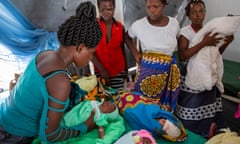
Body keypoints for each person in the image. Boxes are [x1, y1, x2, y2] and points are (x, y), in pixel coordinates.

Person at [0, 1, 102, 143]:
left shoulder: (45, 55)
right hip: (14, 135)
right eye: (91, 53)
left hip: (4, 116)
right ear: (80, 48)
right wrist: (87, 126)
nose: (90, 59)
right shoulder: (60, 81)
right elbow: (49, 136)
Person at [175, 0, 234, 138]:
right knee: (191, 108)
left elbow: (216, 53)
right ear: (188, 15)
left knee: (207, 108)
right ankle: (189, 134)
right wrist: (204, 42)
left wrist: (227, 42)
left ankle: (206, 132)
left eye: (201, 11)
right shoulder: (185, 33)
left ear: (205, 13)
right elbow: (183, 56)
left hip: (207, 73)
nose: (198, 15)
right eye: (194, 12)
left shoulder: (209, 31)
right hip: (191, 77)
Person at [125, 0, 181, 112]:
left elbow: (179, 40)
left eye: (156, 6)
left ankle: (160, 128)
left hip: (168, 74)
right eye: (148, 7)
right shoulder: (139, 25)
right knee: (143, 106)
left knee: (163, 110)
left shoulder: (174, 24)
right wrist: (135, 53)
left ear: (164, 5)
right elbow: (126, 37)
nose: (152, 11)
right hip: (147, 74)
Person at [113, 92, 187, 142]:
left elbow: (137, 118)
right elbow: (148, 103)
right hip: (134, 97)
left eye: (163, 125)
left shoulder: (149, 126)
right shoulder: (158, 112)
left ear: (162, 130)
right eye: (165, 121)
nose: (162, 121)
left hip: (126, 105)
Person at [92, 0, 128, 90]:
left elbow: (122, 49)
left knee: (117, 97)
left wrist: (126, 69)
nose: (106, 12)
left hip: (118, 71)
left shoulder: (120, 27)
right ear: (99, 10)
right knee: (104, 98)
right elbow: (89, 52)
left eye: (109, 9)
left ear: (114, 8)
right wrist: (102, 70)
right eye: (103, 9)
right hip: (100, 72)